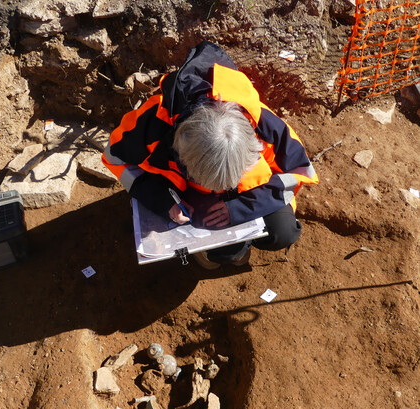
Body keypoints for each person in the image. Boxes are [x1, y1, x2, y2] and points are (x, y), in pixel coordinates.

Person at [102, 41, 319, 269]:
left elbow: (301, 171)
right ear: (181, 154)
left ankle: (231, 248)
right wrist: (163, 202)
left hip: (254, 192)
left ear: (252, 146)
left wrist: (243, 207)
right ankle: (220, 253)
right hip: (188, 196)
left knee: (282, 232)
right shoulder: (151, 123)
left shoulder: (264, 123)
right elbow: (114, 158)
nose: (221, 192)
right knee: (225, 253)